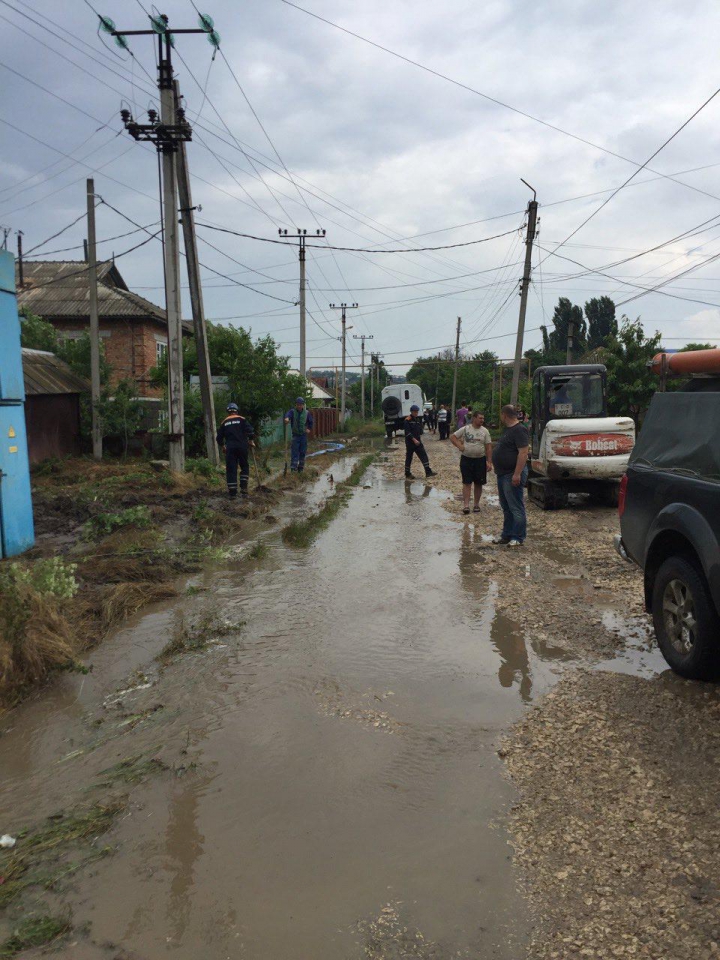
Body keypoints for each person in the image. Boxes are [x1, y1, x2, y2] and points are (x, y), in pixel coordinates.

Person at [492, 404, 530, 546]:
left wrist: (517, 474)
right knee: (506, 506)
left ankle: (518, 537)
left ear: (504, 415)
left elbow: (523, 453)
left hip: (512, 474)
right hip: (502, 473)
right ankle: (507, 535)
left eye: (501, 415)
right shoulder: (508, 430)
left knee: (515, 506)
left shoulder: (519, 430)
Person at [450, 410, 493, 514]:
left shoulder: (485, 431)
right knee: (467, 482)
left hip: (480, 460)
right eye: (480, 418)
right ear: (474, 418)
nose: (482, 420)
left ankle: (476, 504)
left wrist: (489, 462)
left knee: (479, 483)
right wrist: (459, 446)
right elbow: (452, 437)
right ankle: (466, 505)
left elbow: (488, 448)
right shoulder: (466, 429)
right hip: (466, 459)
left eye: (483, 418)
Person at [216, 402, 255, 499]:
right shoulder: (242, 419)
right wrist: (251, 441)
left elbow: (219, 438)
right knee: (244, 466)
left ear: (228, 412)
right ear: (236, 411)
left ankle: (233, 492)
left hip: (230, 448)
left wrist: (223, 446)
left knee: (231, 469)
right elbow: (250, 431)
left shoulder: (224, 422)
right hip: (242, 446)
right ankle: (244, 489)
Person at [404, 404, 437, 479]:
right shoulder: (407, 420)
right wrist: (414, 440)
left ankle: (428, 472)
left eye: (417, 412)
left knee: (423, 455)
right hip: (410, 443)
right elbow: (407, 432)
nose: (416, 413)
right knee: (409, 457)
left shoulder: (417, 420)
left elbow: (419, 431)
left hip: (418, 442)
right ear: (411, 412)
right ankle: (407, 473)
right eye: (415, 412)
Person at [284, 397, 314, 472]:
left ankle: (300, 468)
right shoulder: (292, 412)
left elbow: (311, 422)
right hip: (295, 436)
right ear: (296, 405)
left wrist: (309, 429)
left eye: (301, 405)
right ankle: (293, 468)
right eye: (298, 405)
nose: (299, 406)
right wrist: (287, 419)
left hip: (303, 435)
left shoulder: (307, 413)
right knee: (294, 451)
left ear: (303, 405)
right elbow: (287, 415)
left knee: (302, 452)